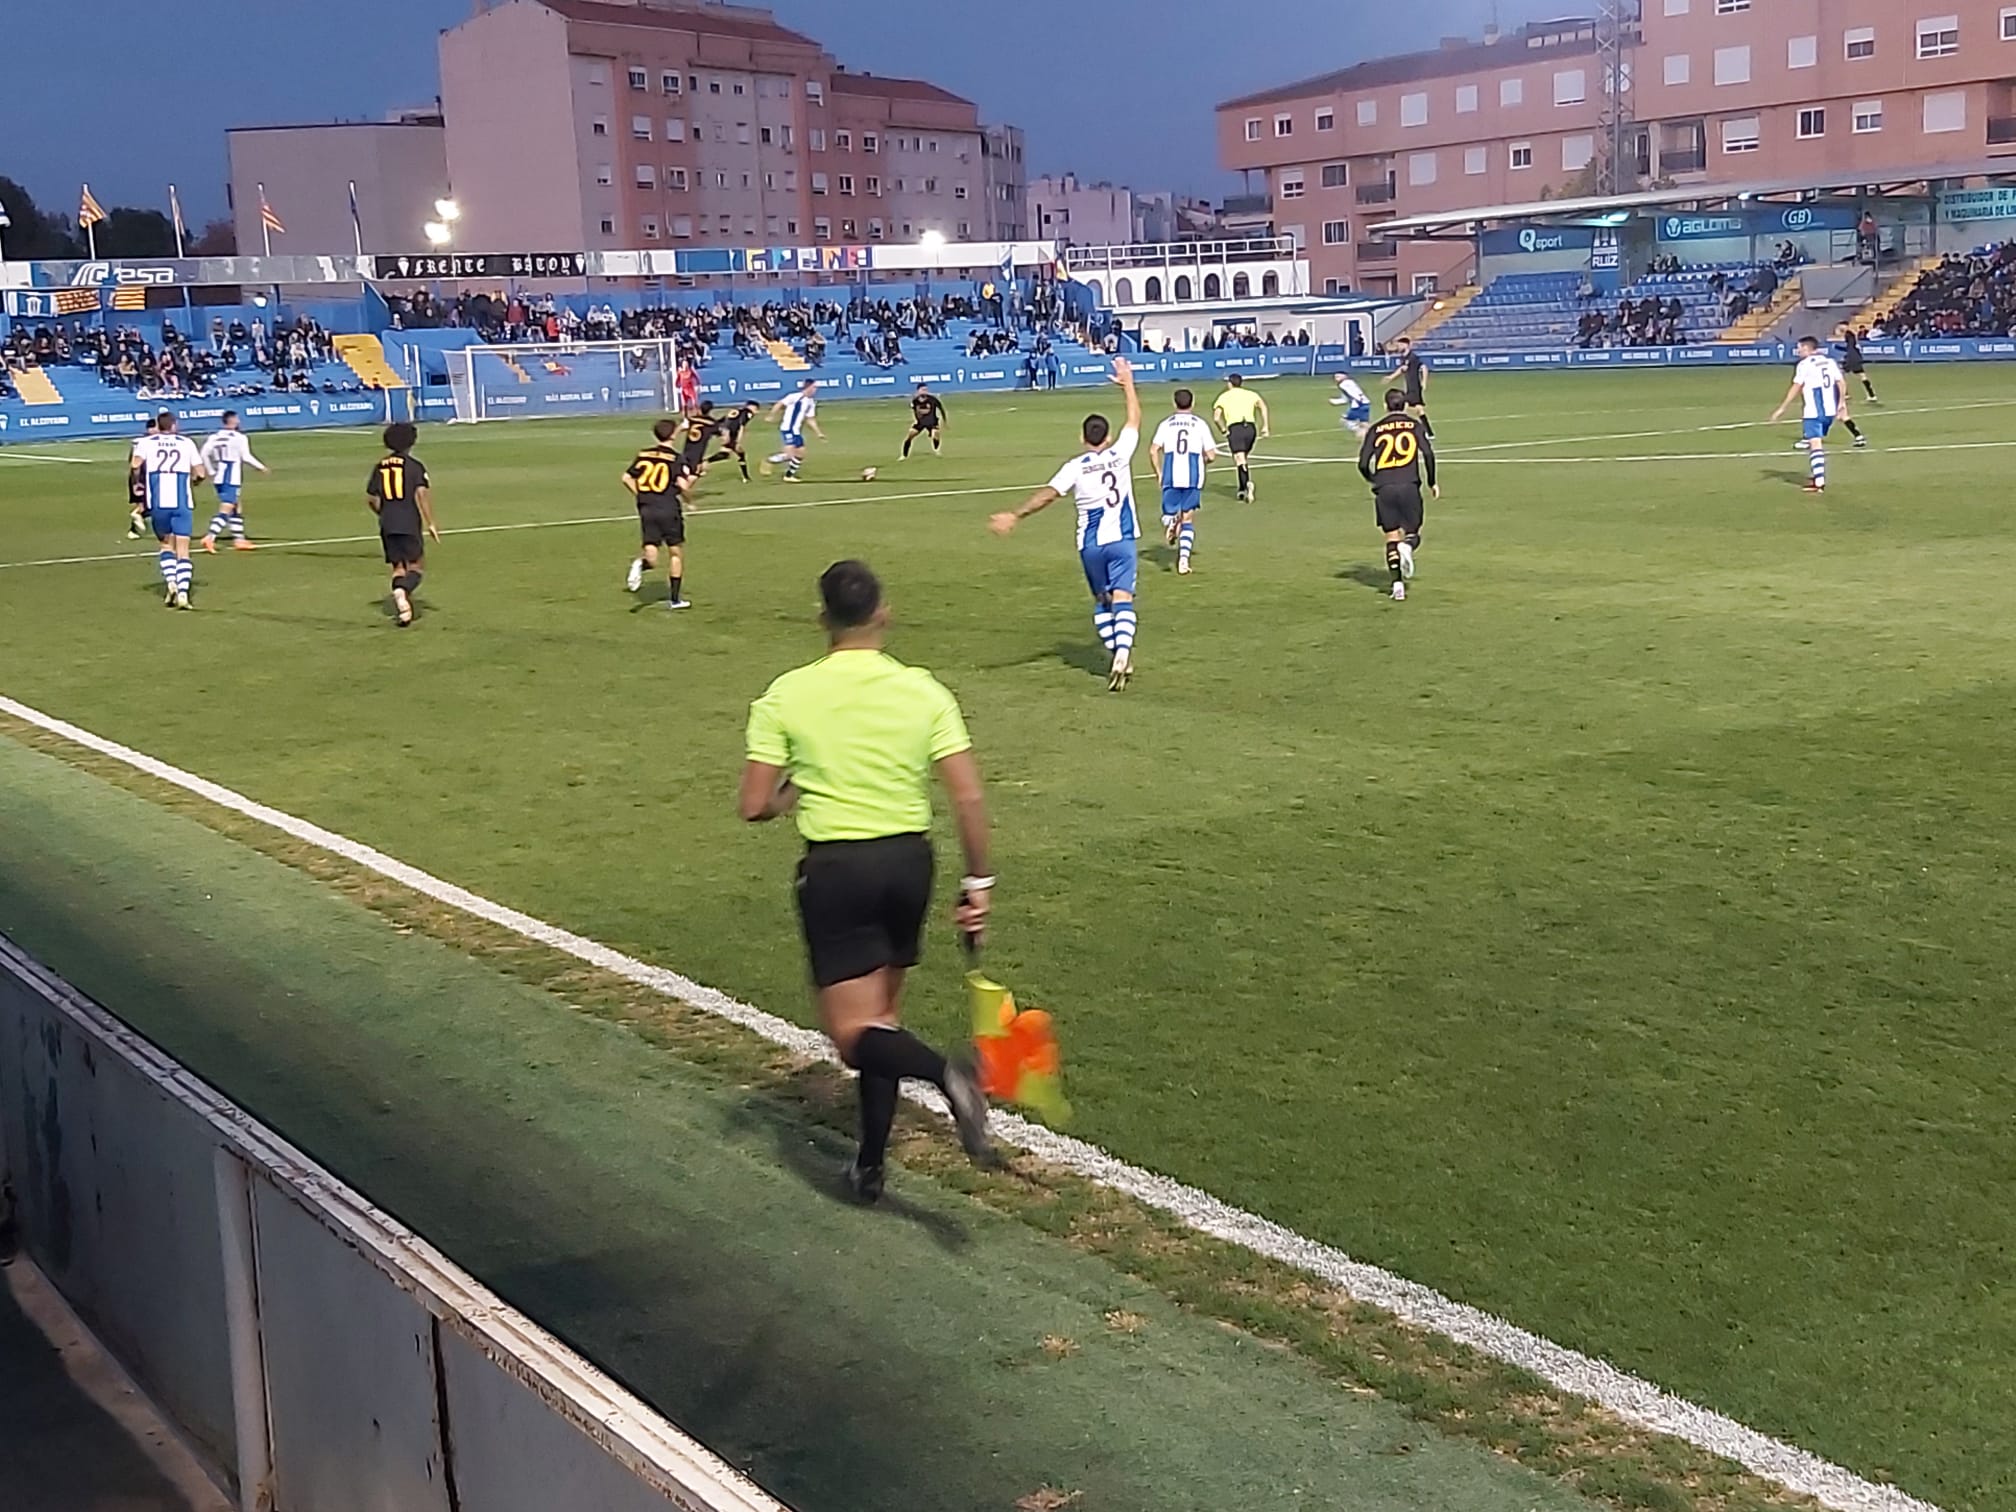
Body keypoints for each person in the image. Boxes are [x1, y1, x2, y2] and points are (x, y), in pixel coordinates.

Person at [739, 559, 995, 1204]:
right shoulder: (924, 691)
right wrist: (978, 883)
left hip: (839, 870)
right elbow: (966, 798)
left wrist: (792, 791)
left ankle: (946, 1075)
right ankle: (870, 1165)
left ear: (822, 619)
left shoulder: (786, 694)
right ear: (884, 612)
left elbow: (753, 803)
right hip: (910, 863)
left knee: (855, 1040)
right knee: (883, 1019)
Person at [989, 357, 1144, 692]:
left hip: (1090, 546)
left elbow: (1048, 495)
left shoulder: (1075, 467)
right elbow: (1134, 419)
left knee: (1103, 601)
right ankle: (1123, 651)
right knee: (1123, 597)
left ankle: (1116, 651)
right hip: (1123, 540)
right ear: (1107, 436)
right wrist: (1127, 383)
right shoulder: (1121, 453)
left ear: (1082, 437)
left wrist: (1016, 515)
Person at [1358, 389, 1437, 603]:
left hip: (1385, 487)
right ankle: (1408, 546)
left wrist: (1374, 480)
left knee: (1391, 536)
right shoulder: (1414, 425)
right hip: (1408, 484)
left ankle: (1397, 585)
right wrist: (1432, 482)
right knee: (1412, 532)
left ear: (1386, 406)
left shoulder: (1376, 429)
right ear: (1404, 406)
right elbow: (1428, 453)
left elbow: (1363, 463)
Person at [365, 422, 441, 626]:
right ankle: (402, 592)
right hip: (408, 520)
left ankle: (404, 611)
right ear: (411, 442)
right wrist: (431, 523)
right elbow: (421, 494)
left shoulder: (380, 466)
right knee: (416, 565)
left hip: (387, 522)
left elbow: (371, 498)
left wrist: (383, 513)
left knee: (398, 566)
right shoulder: (414, 466)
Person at [133, 410, 208, 610]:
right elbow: (201, 473)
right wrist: (196, 481)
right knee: (183, 550)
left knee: (166, 546)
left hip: (158, 503)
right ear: (174, 425)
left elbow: (135, 464)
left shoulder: (146, 442)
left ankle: (171, 583)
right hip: (182, 502)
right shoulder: (186, 443)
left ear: (158, 426)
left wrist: (138, 484)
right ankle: (183, 593)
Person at [623, 419, 696, 609]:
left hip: (647, 508)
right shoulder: (676, 458)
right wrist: (689, 501)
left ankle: (640, 564)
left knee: (652, 553)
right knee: (675, 553)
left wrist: (640, 494)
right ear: (673, 435)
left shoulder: (644, 454)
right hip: (668, 508)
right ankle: (675, 599)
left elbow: (626, 477)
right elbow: (682, 485)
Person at [1149, 388, 1218, 577]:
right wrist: (1203, 461)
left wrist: (1159, 473)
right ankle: (1183, 561)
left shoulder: (1166, 424)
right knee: (1188, 518)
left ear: (1174, 404)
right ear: (1192, 404)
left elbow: (1153, 450)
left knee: (1169, 512)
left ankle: (1170, 521)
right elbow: (1211, 455)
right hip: (1193, 477)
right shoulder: (1200, 424)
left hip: (1171, 475)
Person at [1768, 336, 1847, 493]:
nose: (1798, 351)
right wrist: (1842, 402)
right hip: (1830, 410)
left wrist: (1782, 408)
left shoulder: (1804, 365)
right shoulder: (1830, 362)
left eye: (1800, 348)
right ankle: (1818, 477)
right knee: (1815, 442)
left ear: (1808, 349)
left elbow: (1796, 386)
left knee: (1815, 444)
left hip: (1813, 411)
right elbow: (1841, 382)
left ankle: (1819, 482)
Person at [198, 411, 270, 554]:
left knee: (236, 506)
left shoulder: (215, 437)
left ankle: (239, 539)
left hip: (219, 475)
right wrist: (261, 467)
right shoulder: (239, 437)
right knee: (227, 506)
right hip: (231, 475)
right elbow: (246, 456)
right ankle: (210, 536)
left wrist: (211, 471)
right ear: (232, 421)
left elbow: (204, 454)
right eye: (237, 419)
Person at [1211, 373, 1269, 502]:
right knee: (1243, 457)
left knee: (1239, 458)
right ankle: (1242, 489)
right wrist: (1265, 426)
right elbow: (1263, 406)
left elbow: (1216, 417)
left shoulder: (1224, 397)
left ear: (1230, 384)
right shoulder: (1251, 394)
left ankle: (1246, 485)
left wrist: (1223, 430)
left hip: (1235, 428)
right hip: (1250, 429)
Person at [763, 380, 823, 482]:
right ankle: (769, 460)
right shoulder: (795, 396)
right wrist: (771, 415)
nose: (815, 390)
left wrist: (818, 433)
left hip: (796, 431)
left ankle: (788, 475)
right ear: (807, 387)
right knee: (789, 455)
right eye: (814, 387)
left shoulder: (811, 402)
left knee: (800, 454)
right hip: (788, 429)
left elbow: (810, 419)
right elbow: (780, 403)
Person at [1385, 336, 1434, 438]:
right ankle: (1429, 433)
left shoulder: (1413, 357)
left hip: (1414, 387)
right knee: (1419, 410)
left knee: (1402, 406)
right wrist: (1391, 377)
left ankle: (1401, 430)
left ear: (1405, 345)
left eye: (1399, 345)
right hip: (1410, 387)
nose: (1398, 347)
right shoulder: (1404, 357)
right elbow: (1402, 369)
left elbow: (1424, 367)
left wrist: (1424, 382)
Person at [705, 400, 761, 482]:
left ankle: (704, 462)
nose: (756, 412)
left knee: (726, 454)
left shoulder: (737, 410)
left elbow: (723, 420)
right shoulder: (748, 413)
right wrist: (738, 441)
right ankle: (703, 462)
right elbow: (742, 426)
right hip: (729, 433)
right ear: (752, 407)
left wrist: (716, 431)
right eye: (756, 409)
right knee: (739, 453)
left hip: (723, 431)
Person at [125, 415, 157, 540]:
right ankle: (136, 515)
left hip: (138, 476)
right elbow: (134, 462)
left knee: (145, 504)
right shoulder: (146, 443)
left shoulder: (139, 442)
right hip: (143, 476)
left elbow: (131, 460)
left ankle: (134, 531)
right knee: (149, 503)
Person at [901, 384, 946, 460]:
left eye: (926, 390)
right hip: (921, 423)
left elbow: (941, 409)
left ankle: (936, 450)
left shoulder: (932, 399)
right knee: (909, 436)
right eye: (923, 390)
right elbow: (913, 409)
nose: (925, 391)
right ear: (918, 391)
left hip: (932, 422)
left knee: (935, 435)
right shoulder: (915, 401)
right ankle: (904, 455)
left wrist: (945, 421)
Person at [1839, 328, 1881, 406]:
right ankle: (1872, 395)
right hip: (1857, 359)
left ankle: (1845, 394)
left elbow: (1849, 350)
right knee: (1863, 376)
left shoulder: (1850, 341)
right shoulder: (1853, 343)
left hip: (1851, 360)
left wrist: (1846, 358)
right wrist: (1838, 347)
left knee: (1841, 375)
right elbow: (1849, 349)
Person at [1331, 370, 1373, 438]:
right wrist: (1336, 401)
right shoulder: (1350, 382)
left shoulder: (1343, 384)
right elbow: (1347, 397)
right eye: (1335, 377)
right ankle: (1375, 433)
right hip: (1366, 403)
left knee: (1345, 421)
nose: (1336, 378)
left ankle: (1360, 432)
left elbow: (1349, 397)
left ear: (1344, 376)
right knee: (1364, 423)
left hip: (1358, 405)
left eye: (1338, 376)